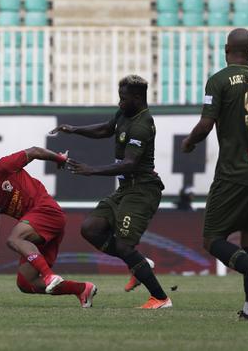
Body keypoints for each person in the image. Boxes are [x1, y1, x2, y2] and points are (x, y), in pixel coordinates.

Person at [181, 28, 248, 320]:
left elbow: (205, 125)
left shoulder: (218, 81)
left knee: (212, 239)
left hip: (234, 171)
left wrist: (190, 142)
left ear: (226, 48)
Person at [50, 75, 171, 309]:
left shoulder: (142, 125)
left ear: (137, 98)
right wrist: (74, 129)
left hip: (142, 190)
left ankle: (161, 298)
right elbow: (106, 129)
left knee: (125, 246)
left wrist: (91, 170)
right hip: (126, 188)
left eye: (123, 98)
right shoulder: (125, 114)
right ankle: (139, 263)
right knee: (91, 229)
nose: (119, 102)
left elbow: (130, 163)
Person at [0, 148, 97, 308]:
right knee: (26, 282)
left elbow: (33, 152)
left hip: (48, 211)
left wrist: (58, 159)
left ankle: (49, 276)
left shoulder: (3, 168)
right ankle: (82, 289)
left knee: (14, 239)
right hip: (36, 232)